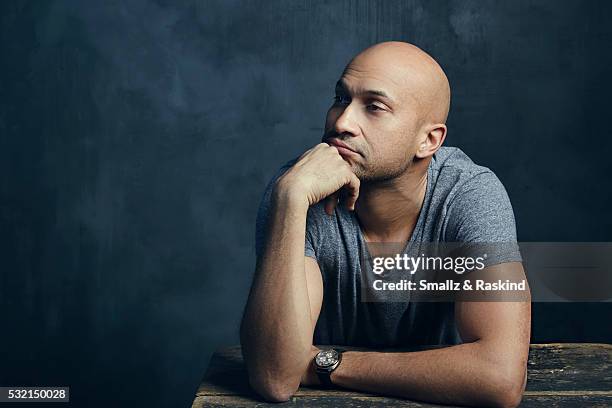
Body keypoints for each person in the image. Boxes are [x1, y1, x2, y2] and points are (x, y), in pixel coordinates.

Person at [240, 41, 531, 408]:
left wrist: (325, 365)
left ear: (428, 140)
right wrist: (289, 199)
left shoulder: (469, 195)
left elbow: (498, 378)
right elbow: (274, 379)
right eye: (341, 99)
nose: (342, 123)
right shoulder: (297, 189)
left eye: (374, 107)